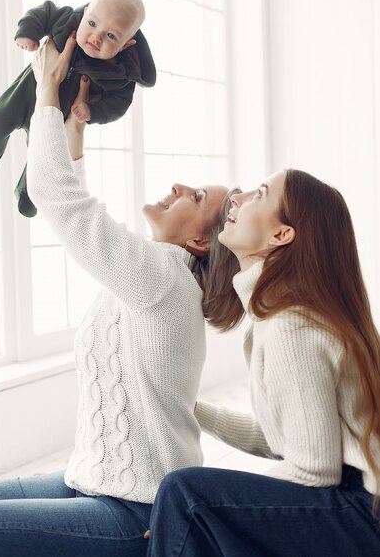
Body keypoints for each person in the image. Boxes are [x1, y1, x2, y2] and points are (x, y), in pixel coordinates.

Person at [0, 35, 242, 556]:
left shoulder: (161, 279)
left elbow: (59, 200)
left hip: (136, 512)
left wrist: (47, 88)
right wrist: (76, 128)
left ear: (201, 241)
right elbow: (85, 212)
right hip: (88, 479)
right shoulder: (155, 272)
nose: (181, 186)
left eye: (198, 196)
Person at [146, 169, 380, 557]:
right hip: (358, 506)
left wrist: (211, 512)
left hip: (364, 515)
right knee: (189, 506)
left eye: (260, 194)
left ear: (281, 235)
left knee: (184, 494)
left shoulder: (291, 327)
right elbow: (283, 438)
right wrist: (189, 409)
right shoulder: (288, 313)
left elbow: (313, 469)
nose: (237, 199)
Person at [0, 0, 156, 217]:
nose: (96, 37)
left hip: (58, 115)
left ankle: (27, 194)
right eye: (92, 23)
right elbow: (43, 12)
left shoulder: (120, 73)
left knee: (43, 157)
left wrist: (92, 110)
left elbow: (119, 104)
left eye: (110, 36)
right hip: (25, 94)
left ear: (126, 45)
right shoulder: (68, 20)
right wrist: (28, 32)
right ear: (86, 11)